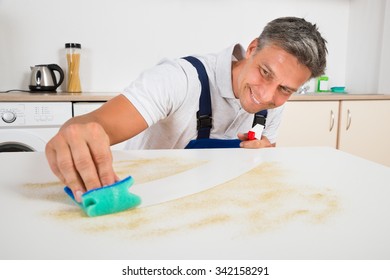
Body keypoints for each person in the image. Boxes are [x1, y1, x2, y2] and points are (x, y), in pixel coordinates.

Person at [46, 16, 327, 202]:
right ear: (252, 49)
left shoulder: (272, 103)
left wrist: (264, 159)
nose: (266, 95)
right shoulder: (179, 79)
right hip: (148, 198)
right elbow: (90, 127)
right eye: (265, 72)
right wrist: (75, 135)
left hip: (208, 204)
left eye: (285, 89)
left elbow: (261, 162)